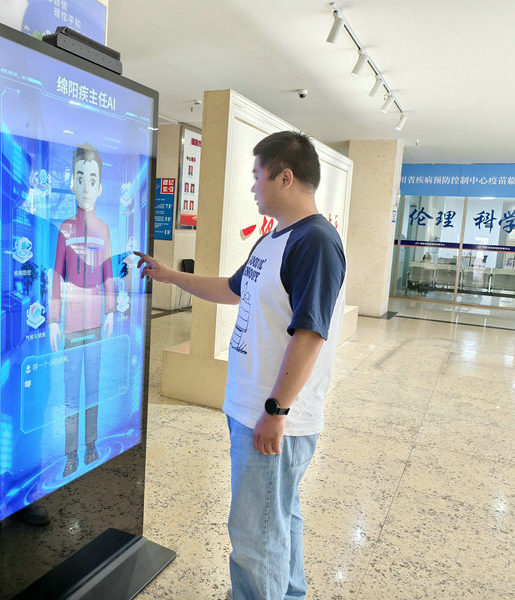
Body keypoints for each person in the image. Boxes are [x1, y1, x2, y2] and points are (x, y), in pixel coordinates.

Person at [136, 131, 346, 599]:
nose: (253, 186)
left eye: (257, 176)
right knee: (278, 520)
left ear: (284, 178)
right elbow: (233, 289)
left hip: (272, 418)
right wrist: (170, 275)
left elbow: (310, 335)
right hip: (250, 408)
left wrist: (277, 410)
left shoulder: (315, 241)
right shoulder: (273, 239)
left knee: (256, 536)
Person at [50, 143, 115, 477]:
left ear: (99, 186)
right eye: (80, 178)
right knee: (70, 391)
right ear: (72, 183)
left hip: (95, 323)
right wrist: (53, 320)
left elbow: (108, 273)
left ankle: (90, 446)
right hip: (72, 324)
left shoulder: (103, 229)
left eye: (92, 179)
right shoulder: (65, 229)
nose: (86, 187)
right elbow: (56, 274)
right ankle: (70, 454)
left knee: (93, 388)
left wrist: (110, 311)